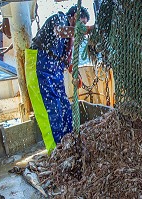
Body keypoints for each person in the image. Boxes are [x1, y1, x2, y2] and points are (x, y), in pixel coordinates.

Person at [25, 5, 90, 152]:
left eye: (84, 24)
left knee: (65, 108)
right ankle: (56, 153)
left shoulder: (70, 38)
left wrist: (76, 74)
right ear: (73, 16)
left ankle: (68, 145)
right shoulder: (59, 19)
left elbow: (67, 60)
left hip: (56, 71)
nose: (82, 26)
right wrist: (88, 30)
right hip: (40, 65)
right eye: (82, 22)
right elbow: (59, 32)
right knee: (51, 112)